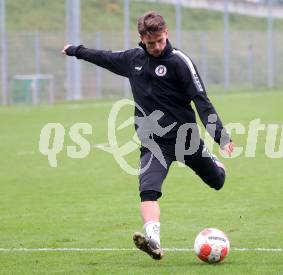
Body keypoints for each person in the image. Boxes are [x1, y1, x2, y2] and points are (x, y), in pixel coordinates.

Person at [61, 11, 234, 260]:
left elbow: (201, 100)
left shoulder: (179, 62)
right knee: (148, 189)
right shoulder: (133, 59)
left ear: (167, 34)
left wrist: (221, 136)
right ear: (141, 38)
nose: (155, 47)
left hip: (186, 139)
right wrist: (76, 50)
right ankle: (153, 240)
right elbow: (104, 57)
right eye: (150, 43)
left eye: (160, 41)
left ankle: (215, 163)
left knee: (217, 181)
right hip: (153, 142)